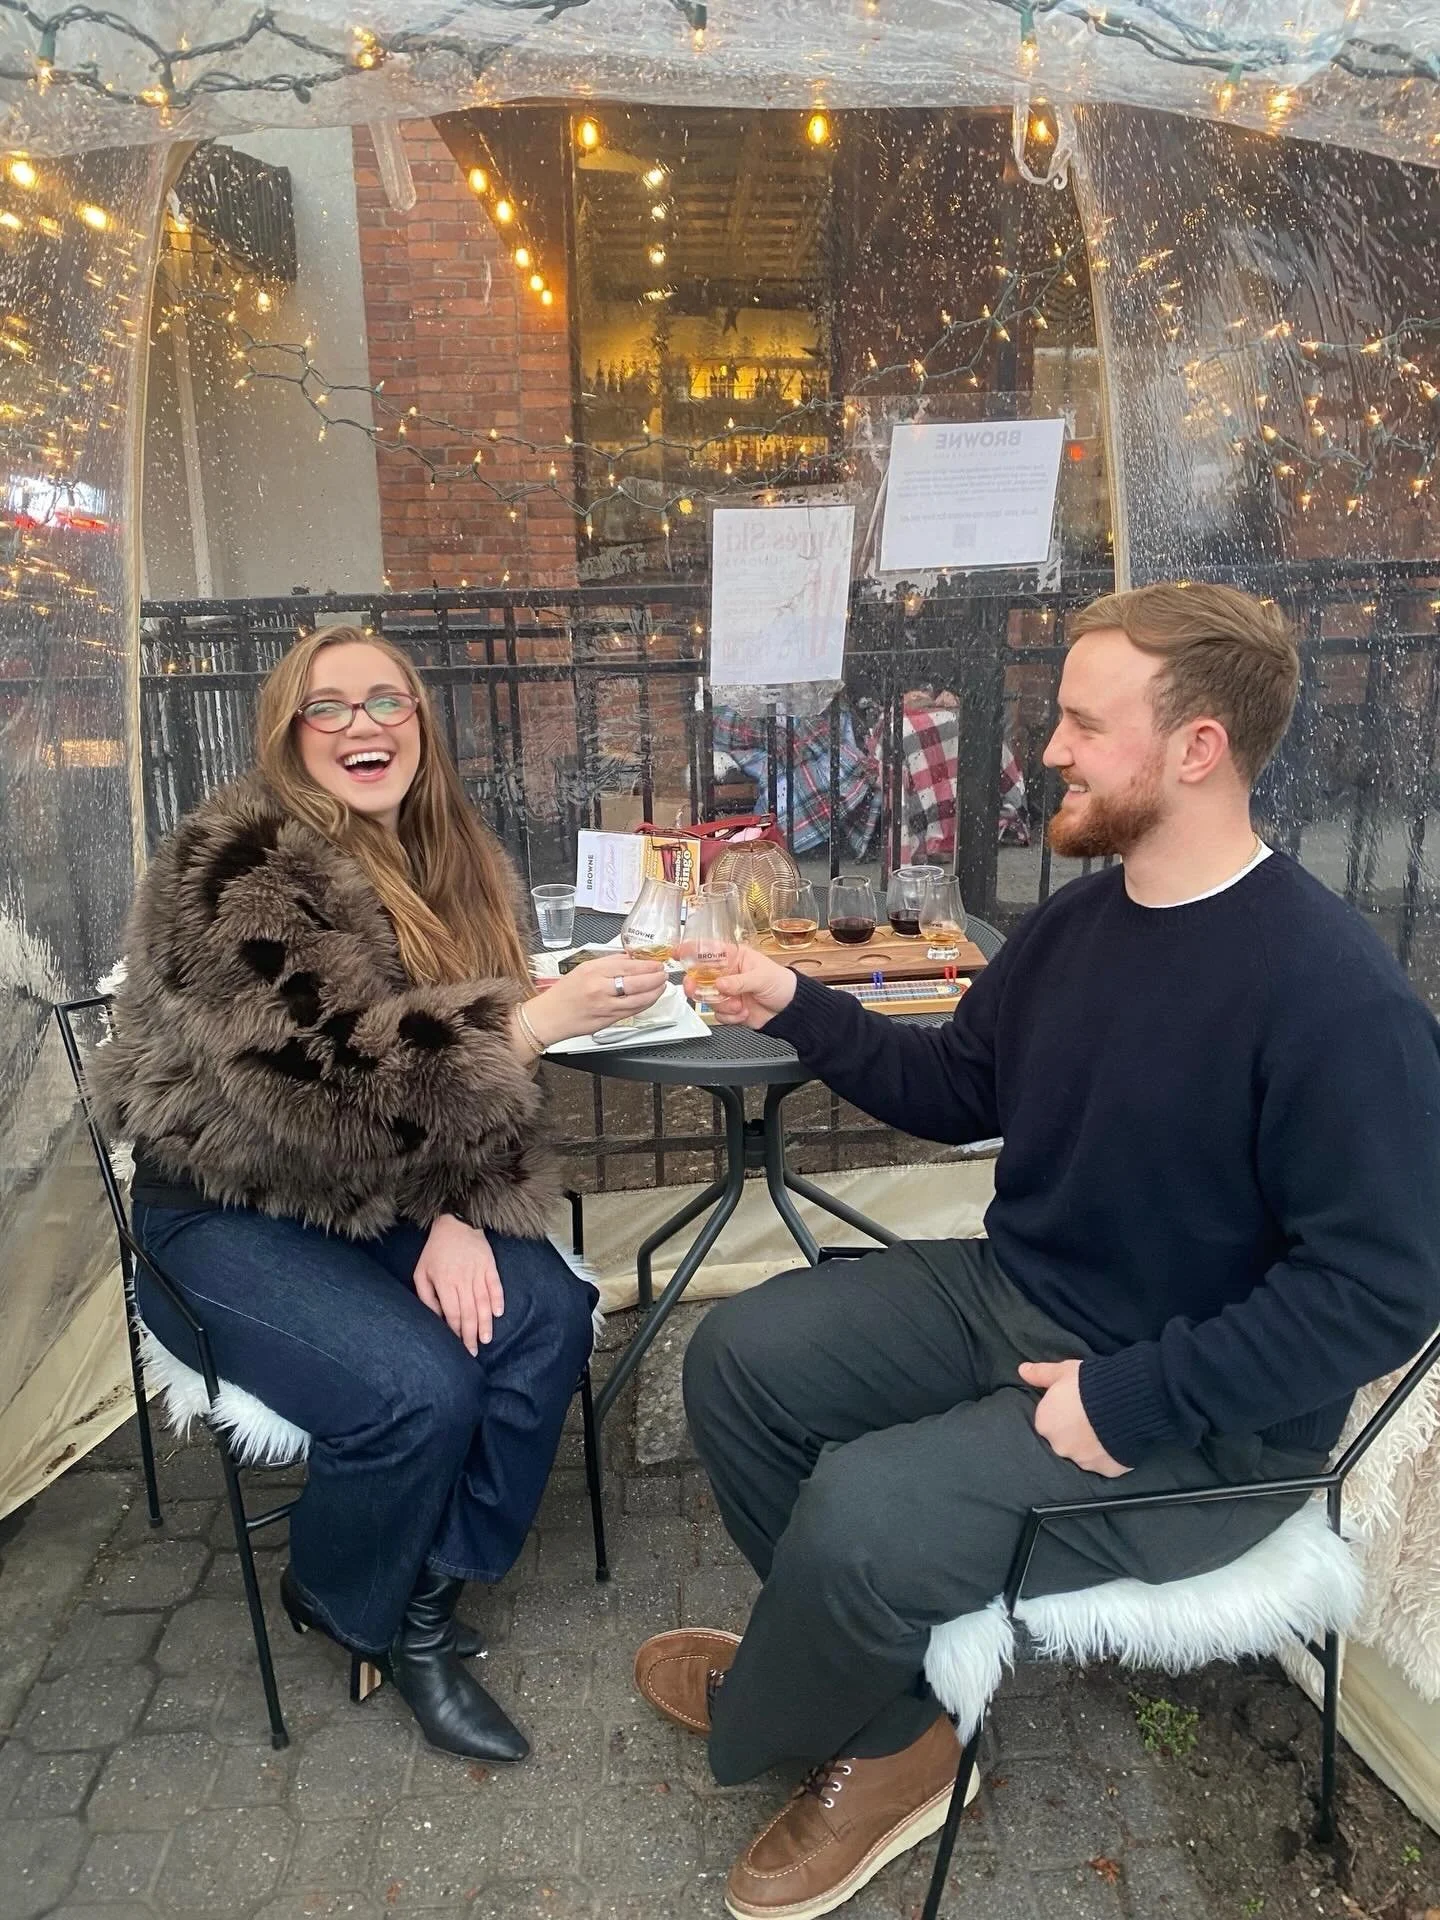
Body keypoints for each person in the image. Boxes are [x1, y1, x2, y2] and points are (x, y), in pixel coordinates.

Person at [633, 583, 1440, 1920]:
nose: (1048, 748)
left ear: (1198, 748)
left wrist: (1131, 1400)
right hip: (1026, 1297)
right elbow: (960, 1089)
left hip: (1203, 1427)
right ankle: (887, 1712)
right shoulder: (1082, 924)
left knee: (871, 1514)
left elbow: (1381, 1294)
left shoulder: (1333, 993)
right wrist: (798, 1005)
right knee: (741, 1359)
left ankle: (824, 1712)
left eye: (1082, 720)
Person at [95, 623, 667, 1764]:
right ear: (288, 731)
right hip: (222, 1212)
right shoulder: (237, 864)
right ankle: (337, 1589)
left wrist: (454, 1212)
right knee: (421, 1392)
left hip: (383, 1197)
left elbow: (468, 1103)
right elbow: (330, 1082)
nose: (364, 726)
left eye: (387, 703)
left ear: (420, 723)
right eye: (331, 707)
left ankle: (422, 1605)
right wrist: (535, 1022)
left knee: (549, 1312)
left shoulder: (450, 854)